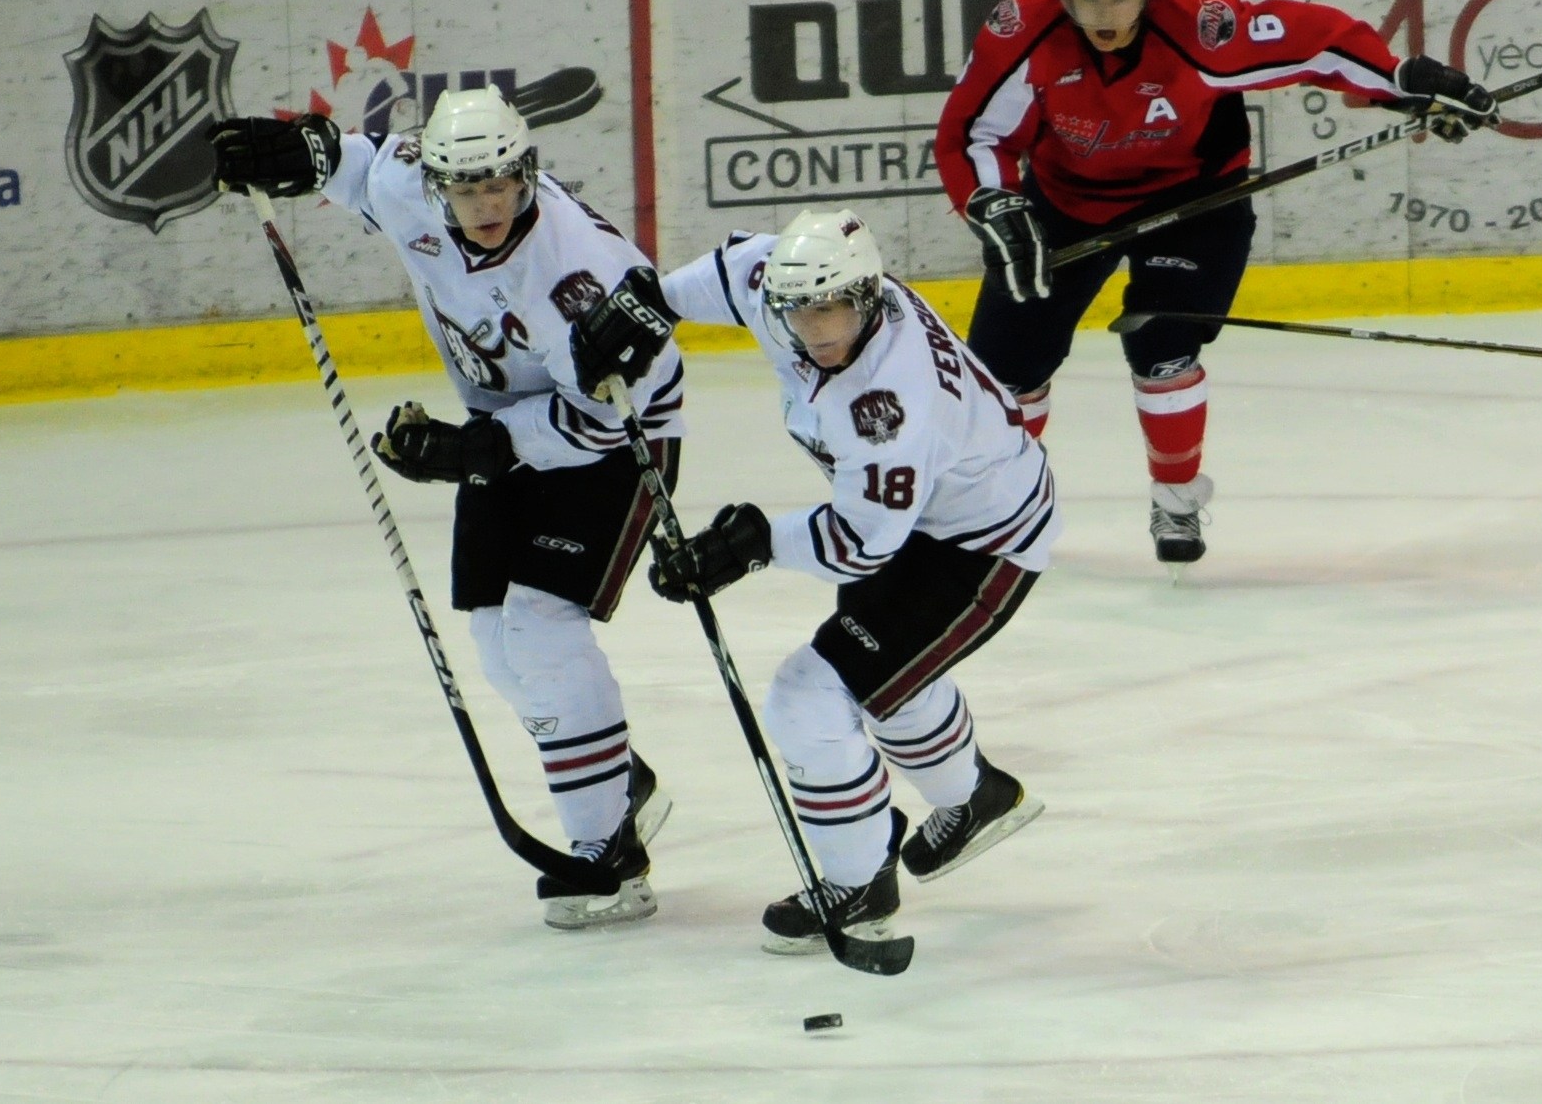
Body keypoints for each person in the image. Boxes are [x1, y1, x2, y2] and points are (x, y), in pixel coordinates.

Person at [210, 86, 682, 931]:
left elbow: (608, 412)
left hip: (618, 438)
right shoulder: (414, 187)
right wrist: (297, 157)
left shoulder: (578, 277)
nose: (487, 203)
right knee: (499, 644)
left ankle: (611, 858)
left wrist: (479, 452)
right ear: (439, 185)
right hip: (510, 422)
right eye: (468, 188)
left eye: (502, 183)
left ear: (527, 172)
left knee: (541, 628)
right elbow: (356, 167)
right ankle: (618, 781)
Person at [935, 0, 1499, 567]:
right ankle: (1000, 505)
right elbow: (975, 133)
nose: (1102, 15)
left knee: (1162, 347)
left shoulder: (1204, 27)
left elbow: (1317, 43)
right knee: (1004, 373)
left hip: (1195, 202)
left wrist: (1403, 82)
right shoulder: (1023, 31)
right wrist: (994, 203)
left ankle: (1176, 501)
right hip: (1066, 204)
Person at [569, 208, 1055, 953]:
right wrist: (651, 303)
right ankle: (976, 798)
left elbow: (859, 544)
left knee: (812, 691)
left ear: (868, 297)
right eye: (800, 311)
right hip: (929, 514)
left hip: (978, 543)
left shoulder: (888, 406)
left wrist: (747, 546)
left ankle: (860, 887)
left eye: (831, 309)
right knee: (888, 675)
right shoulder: (789, 282)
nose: (816, 328)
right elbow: (737, 272)